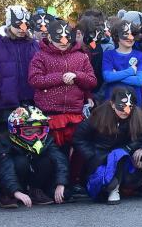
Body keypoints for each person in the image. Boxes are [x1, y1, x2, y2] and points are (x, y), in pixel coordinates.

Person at [73, 87, 142, 204]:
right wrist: (91, 155)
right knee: (102, 186)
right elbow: (79, 137)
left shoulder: (138, 118)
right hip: (99, 158)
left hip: (124, 157)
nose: (125, 110)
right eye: (121, 106)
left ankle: (115, 189)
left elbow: (141, 138)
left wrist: (133, 150)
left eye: (130, 107)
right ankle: (109, 187)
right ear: (113, 104)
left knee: (120, 156)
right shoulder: (99, 115)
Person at [28, 19, 97, 149]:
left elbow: (92, 81)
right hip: (50, 116)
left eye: (67, 37)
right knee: (53, 156)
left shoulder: (81, 56)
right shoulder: (40, 56)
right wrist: (61, 77)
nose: (64, 42)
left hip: (75, 115)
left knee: (75, 155)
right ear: (49, 36)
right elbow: (34, 80)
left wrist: (77, 76)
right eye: (59, 37)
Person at [0, 5, 39, 130]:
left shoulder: (34, 45)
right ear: (10, 23)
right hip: (6, 106)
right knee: (8, 144)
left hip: (33, 103)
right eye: (18, 24)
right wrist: (0, 91)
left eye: (26, 24)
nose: (22, 28)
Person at [0, 106, 69, 209]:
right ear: (15, 130)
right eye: (28, 132)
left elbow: (60, 159)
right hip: (11, 179)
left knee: (47, 161)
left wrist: (61, 183)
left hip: (33, 175)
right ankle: (8, 194)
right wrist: (15, 191)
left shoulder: (46, 139)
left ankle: (35, 190)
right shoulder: (5, 141)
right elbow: (5, 168)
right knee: (21, 162)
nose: (34, 136)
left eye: (38, 131)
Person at [101, 20, 142, 103]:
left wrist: (116, 75)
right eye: (126, 34)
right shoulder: (108, 55)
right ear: (117, 36)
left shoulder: (141, 56)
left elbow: (139, 81)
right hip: (112, 101)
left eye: (133, 34)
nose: (131, 37)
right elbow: (107, 77)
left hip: (134, 103)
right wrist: (130, 71)